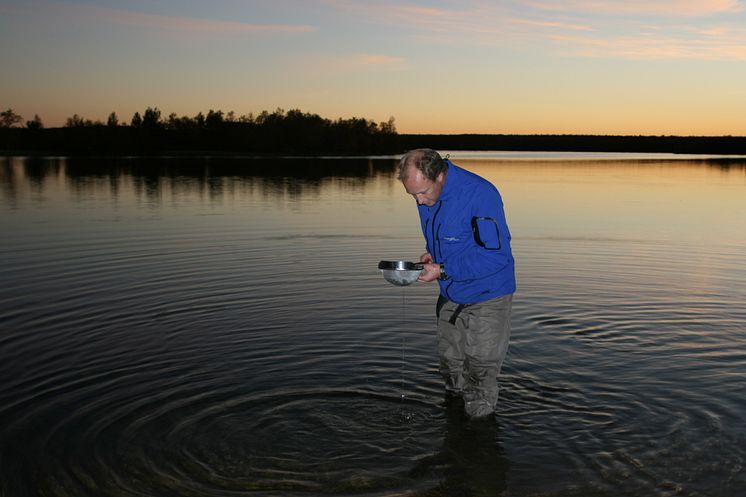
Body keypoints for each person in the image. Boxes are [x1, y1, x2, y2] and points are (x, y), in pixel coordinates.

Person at [399, 148, 516, 419]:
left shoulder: (481, 195)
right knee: (450, 366)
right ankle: (453, 429)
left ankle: (479, 440)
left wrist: (442, 269)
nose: (418, 201)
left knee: (479, 371)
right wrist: (435, 256)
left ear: (440, 175)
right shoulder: (427, 194)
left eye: (423, 192)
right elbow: (453, 237)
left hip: (488, 294)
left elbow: (495, 257)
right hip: (452, 291)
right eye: (412, 195)